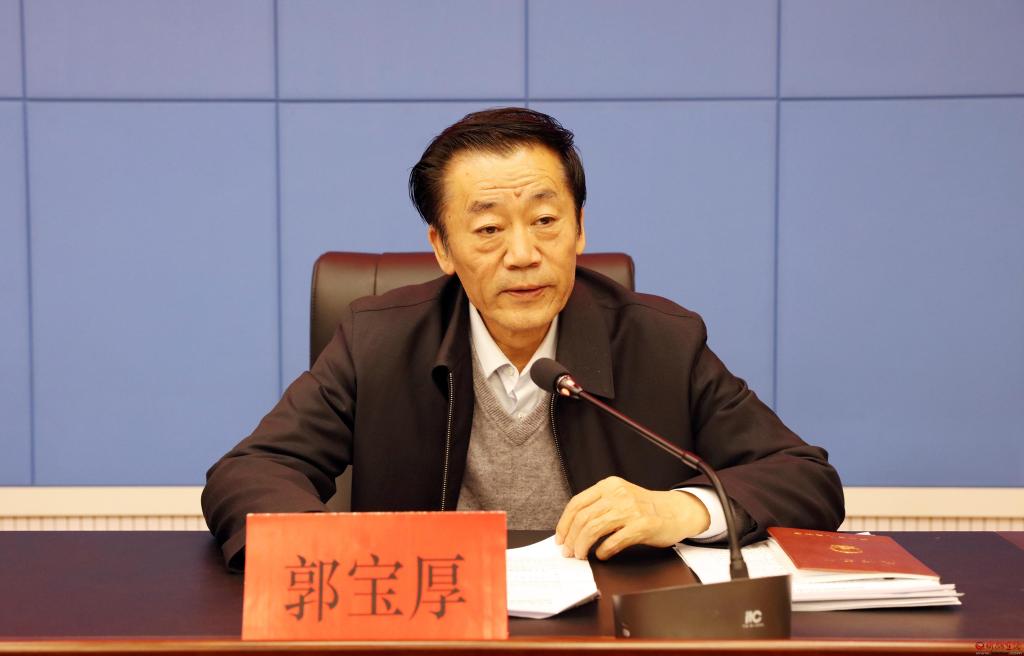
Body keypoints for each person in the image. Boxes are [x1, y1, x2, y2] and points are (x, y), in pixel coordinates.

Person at [202, 107, 844, 571]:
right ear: (442, 248)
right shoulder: (377, 340)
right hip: (432, 623)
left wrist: (679, 510)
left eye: (544, 220)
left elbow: (805, 478)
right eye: (488, 230)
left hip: (608, 629)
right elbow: (250, 472)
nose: (523, 254)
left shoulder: (662, 341)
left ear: (579, 229)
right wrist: (338, 553)